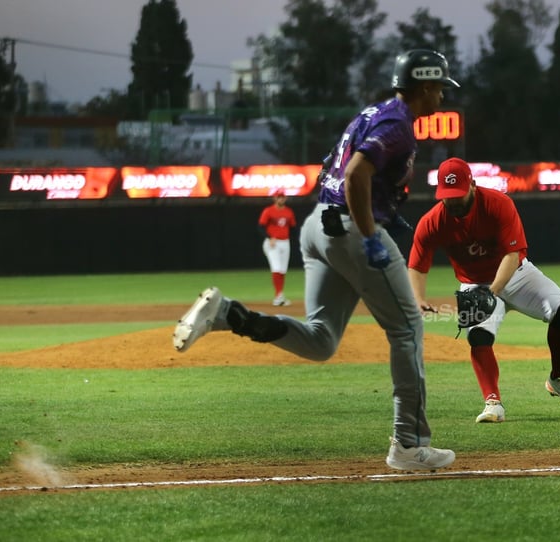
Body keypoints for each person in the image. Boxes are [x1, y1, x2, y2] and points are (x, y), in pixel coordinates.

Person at [172, 49, 460, 470]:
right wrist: (369, 234)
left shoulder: (371, 114)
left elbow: (339, 168)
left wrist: (378, 222)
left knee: (322, 340)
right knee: (408, 328)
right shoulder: (397, 123)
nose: (442, 97)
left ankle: (227, 315)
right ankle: (409, 444)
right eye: (439, 88)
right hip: (350, 231)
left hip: (318, 228)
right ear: (425, 85)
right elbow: (356, 172)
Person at [407, 157, 560, 423]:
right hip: (473, 282)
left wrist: (493, 291)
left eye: (458, 195)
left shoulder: (498, 204)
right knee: (478, 336)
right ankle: (493, 403)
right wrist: (418, 298)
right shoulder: (433, 221)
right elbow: (417, 265)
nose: (453, 201)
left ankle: (557, 377)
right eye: (447, 196)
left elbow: (512, 255)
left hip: (517, 274)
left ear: (473, 186)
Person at [258, 188, 297, 306]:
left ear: (285, 198)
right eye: (279, 197)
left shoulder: (289, 212)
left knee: (282, 270)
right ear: (275, 198)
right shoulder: (268, 211)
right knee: (276, 268)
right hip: (272, 243)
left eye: (282, 197)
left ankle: (280, 295)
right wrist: (269, 237)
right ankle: (278, 296)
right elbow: (260, 227)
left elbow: (293, 227)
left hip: (285, 242)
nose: (281, 199)